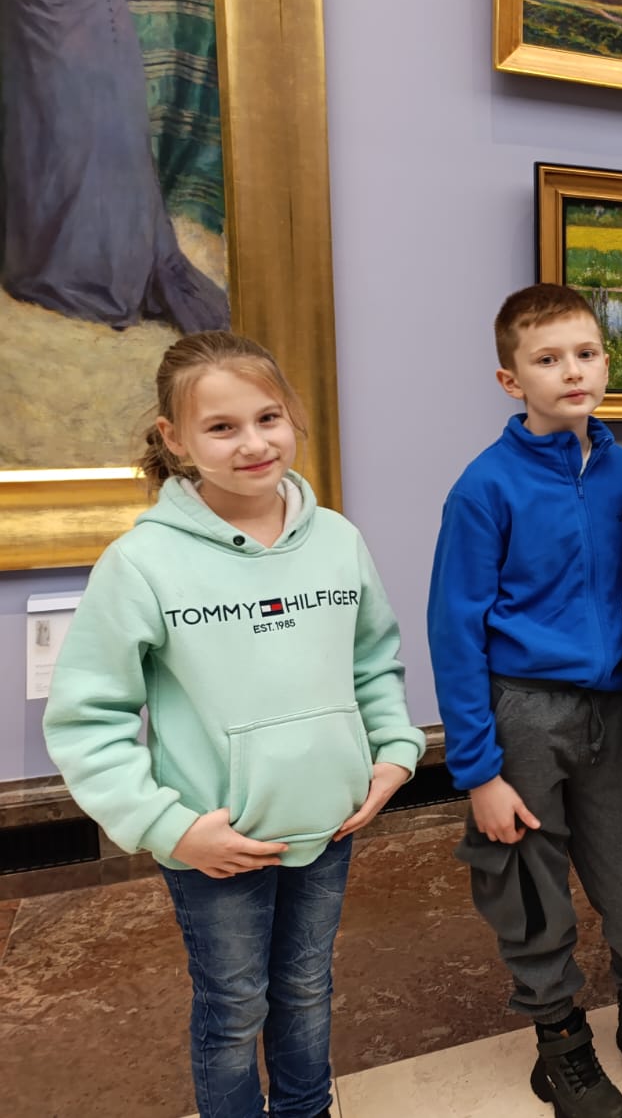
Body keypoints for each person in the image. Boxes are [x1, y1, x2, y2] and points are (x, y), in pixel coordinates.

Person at [42, 330, 424, 1118]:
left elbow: (372, 660)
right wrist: (171, 828)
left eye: (268, 418)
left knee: (308, 988)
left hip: (329, 825)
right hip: (214, 847)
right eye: (222, 427)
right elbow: (88, 719)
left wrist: (392, 752)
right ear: (175, 439)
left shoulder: (338, 540)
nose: (253, 444)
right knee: (234, 1007)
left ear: (292, 418)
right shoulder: (141, 564)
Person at [427, 284, 622, 1118]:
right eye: (547, 359)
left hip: (617, 711)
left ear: (606, 363)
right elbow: (454, 633)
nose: (572, 371)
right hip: (525, 715)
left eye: (586, 353)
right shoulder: (484, 488)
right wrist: (478, 772)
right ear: (512, 381)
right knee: (527, 880)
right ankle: (561, 1041)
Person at [1, 0, 228, 332]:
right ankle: (44, 264)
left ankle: (101, 271)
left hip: (89, 16)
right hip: (25, 7)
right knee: (39, 140)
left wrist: (98, 8)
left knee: (97, 145)